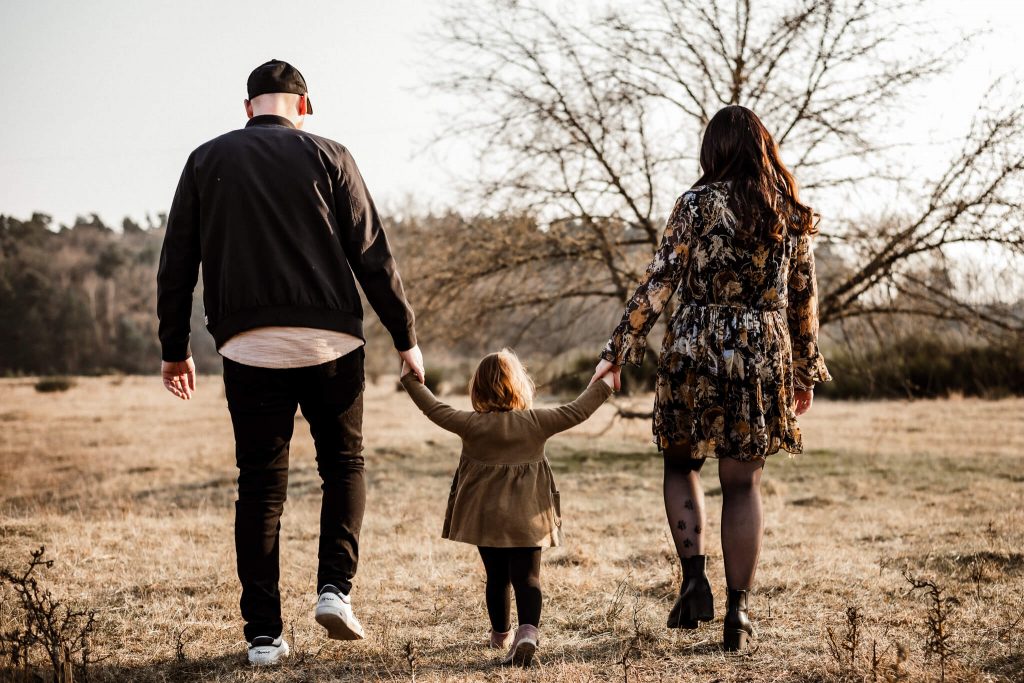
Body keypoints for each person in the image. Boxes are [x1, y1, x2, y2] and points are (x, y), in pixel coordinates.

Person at [156, 59, 424, 666]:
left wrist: (175, 350)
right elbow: (372, 255)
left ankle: (263, 637)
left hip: (247, 348)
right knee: (344, 465)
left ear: (248, 107)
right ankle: (334, 589)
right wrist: (405, 337)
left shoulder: (205, 160)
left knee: (260, 487)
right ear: (302, 106)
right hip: (331, 344)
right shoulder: (331, 155)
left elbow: (177, 264)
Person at [590, 105, 831, 651]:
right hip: (760, 355)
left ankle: (695, 579)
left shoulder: (694, 205)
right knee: (742, 483)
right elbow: (803, 303)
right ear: (763, 148)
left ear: (713, 151)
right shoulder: (789, 213)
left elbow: (659, 282)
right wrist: (803, 372)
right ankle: (738, 613)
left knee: (681, 463)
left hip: (694, 348)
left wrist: (617, 351)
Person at [400, 349, 613, 666]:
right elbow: (578, 410)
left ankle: (501, 635)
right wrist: (606, 381)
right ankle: (527, 633)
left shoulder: (471, 424)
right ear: (520, 385)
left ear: (478, 389)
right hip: (528, 517)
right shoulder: (536, 422)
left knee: (496, 578)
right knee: (527, 578)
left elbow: (433, 408)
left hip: (486, 518)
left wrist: (408, 377)